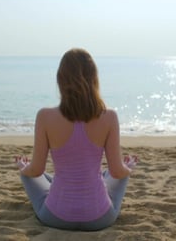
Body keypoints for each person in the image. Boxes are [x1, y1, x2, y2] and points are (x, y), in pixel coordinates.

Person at [15, 48, 138, 231]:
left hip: (55, 217)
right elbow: (117, 171)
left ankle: (57, 183)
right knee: (121, 174)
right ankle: (95, 180)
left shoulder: (45, 116)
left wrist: (24, 169)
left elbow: (36, 170)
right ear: (94, 79)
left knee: (27, 174)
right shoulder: (109, 117)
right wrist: (127, 168)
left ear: (60, 79)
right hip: (100, 218)